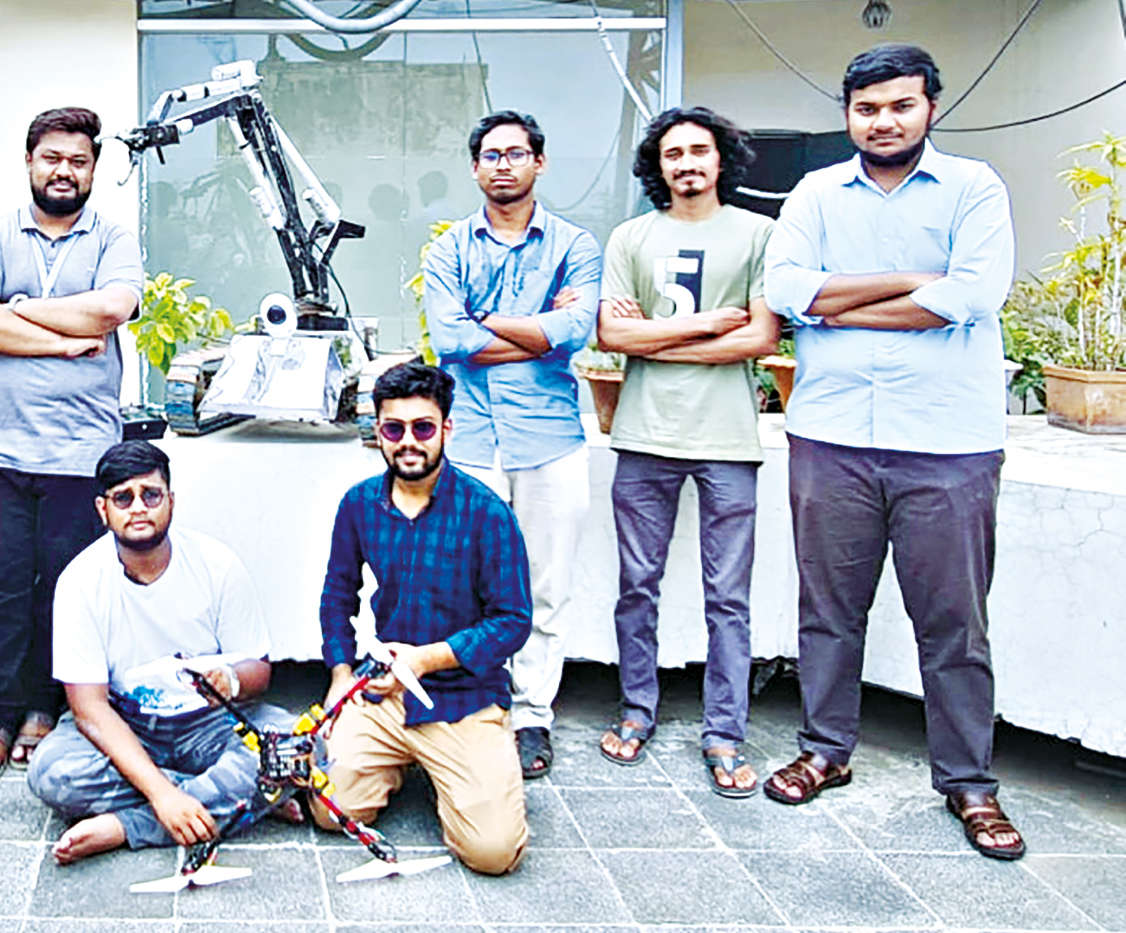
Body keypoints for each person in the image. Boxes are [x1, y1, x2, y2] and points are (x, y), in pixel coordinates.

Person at [764, 43, 1023, 860]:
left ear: (930, 108)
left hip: (948, 444)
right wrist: (914, 282)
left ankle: (969, 781)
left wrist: (837, 301)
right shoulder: (813, 194)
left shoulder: (974, 187)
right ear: (848, 114)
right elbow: (785, 292)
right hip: (832, 436)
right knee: (828, 610)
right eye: (867, 108)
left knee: (954, 621)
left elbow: (972, 294)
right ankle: (824, 749)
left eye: (900, 105)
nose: (884, 121)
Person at [0, 106, 143, 787]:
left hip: (82, 448)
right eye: (52, 157)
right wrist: (64, 340)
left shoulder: (114, 238)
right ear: (29, 161)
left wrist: (17, 309)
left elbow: (112, 308)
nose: (64, 170)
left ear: (93, 170)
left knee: (66, 588)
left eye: (78, 161)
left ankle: (47, 706)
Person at [593, 107, 779, 797]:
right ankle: (636, 709)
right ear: (658, 166)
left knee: (728, 596)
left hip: (728, 439)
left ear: (721, 158)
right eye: (673, 154)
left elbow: (762, 337)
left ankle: (725, 732)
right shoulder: (631, 237)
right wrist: (706, 326)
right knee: (636, 587)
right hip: (644, 434)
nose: (687, 164)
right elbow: (613, 336)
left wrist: (658, 337)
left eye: (699, 150)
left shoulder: (758, 233)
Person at [420, 111, 602, 780]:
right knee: (461, 586)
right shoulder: (448, 249)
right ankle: (472, 705)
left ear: (538, 163)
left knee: (544, 588)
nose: (504, 164)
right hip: (469, 439)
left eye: (516, 153)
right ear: (475, 168)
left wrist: (487, 321)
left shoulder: (575, 245)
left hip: (550, 439)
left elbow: (577, 329)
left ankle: (531, 715)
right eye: (491, 155)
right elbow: (449, 340)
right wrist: (537, 328)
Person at [315, 361, 533, 875]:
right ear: (378, 432)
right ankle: (401, 761)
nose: (408, 442)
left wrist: (427, 660)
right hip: (384, 691)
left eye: (423, 428)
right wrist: (341, 676)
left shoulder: (487, 512)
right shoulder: (359, 504)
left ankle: (469, 766)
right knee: (329, 810)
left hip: (464, 697)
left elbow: (513, 620)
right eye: (394, 429)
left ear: (446, 430)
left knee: (493, 853)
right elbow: (337, 594)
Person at [27, 441, 289, 865]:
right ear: (102, 510)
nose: (138, 508)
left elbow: (258, 670)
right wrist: (162, 792)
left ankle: (126, 827)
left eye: (151, 495)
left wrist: (232, 681)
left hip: (207, 721)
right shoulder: (80, 581)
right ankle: (241, 798)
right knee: (52, 773)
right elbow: (89, 710)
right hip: (126, 722)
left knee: (296, 746)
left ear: (171, 501)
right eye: (123, 498)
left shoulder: (217, 564)